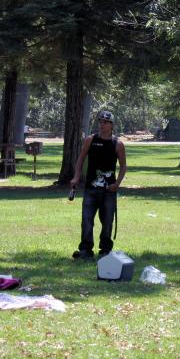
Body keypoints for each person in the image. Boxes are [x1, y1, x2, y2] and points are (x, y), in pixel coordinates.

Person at [70, 109, 127, 259]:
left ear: (111, 125)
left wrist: (117, 184)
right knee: (87, 220)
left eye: (105, 122)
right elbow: (81, 159)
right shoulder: (90, 140)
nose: (102, 125)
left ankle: (105, 250)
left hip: (109, 190)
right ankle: (86, 250)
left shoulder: (118, 144)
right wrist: (76, 177)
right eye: (100, 122)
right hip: (91, 188)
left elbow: (123, 166)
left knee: (107, 221)